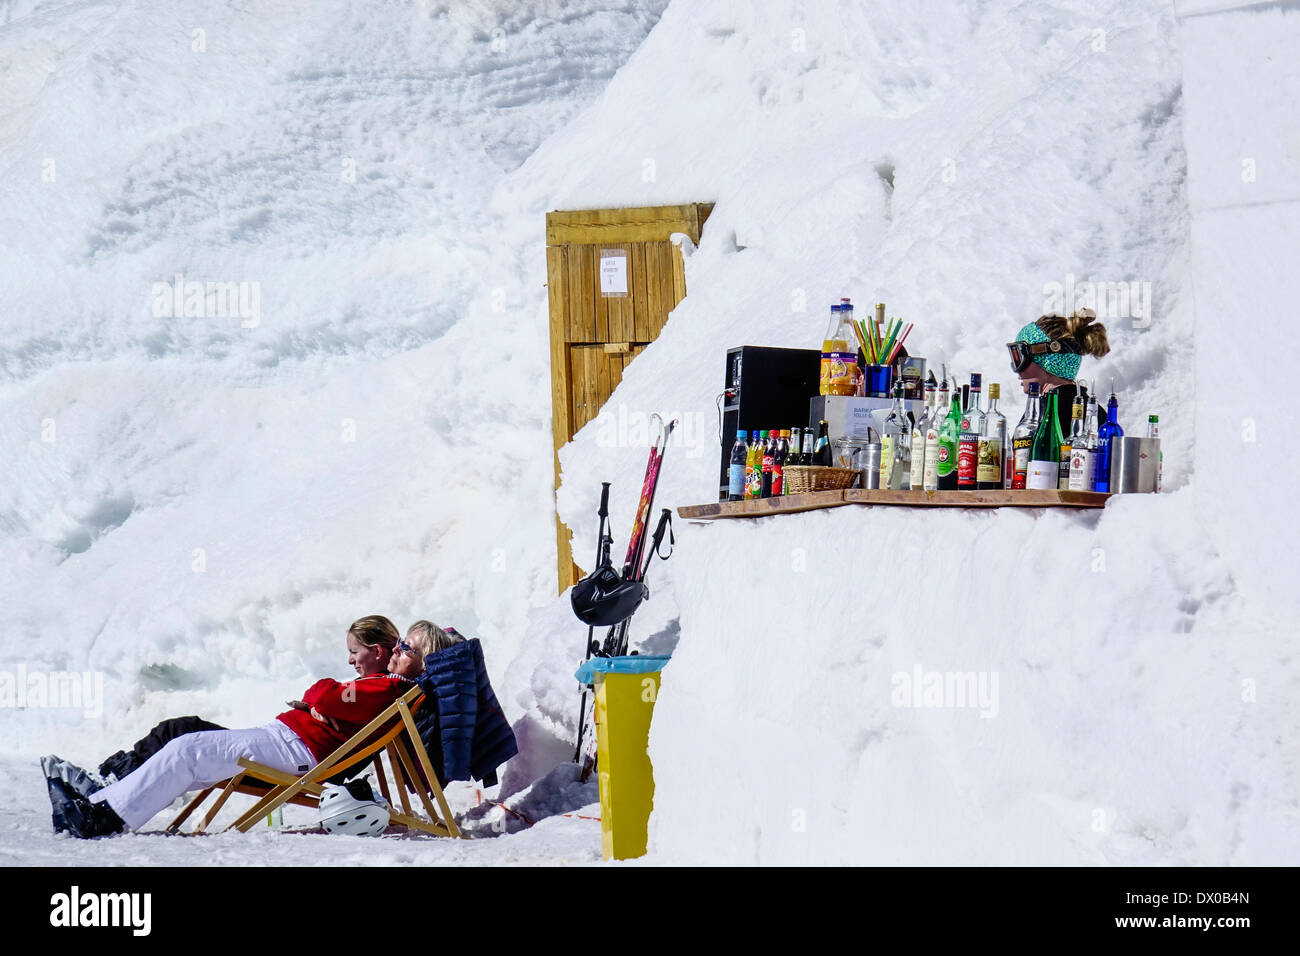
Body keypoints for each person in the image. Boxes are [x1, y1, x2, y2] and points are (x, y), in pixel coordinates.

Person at [43, 615, 408, 839]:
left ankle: (105, 820)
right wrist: (319, 698)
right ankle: (97, 804)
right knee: (185, 736)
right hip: (284, 739)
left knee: (189, 751)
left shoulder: (384, 687)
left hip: (296, 751)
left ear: (376, 650)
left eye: (355, 652)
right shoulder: (369, 687)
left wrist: (318, 700)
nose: (350, 660)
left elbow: (324, 695)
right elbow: (320, 694)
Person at [388, 620, 517, 788]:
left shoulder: (402, 692)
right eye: (401, 642)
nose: (395, 649)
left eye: (406, 648)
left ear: (424, 667)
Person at [1006, 307, 1110, 434]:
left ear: (1046, 359)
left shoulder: (1045, 412)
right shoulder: (1095, 411)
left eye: (1019, 358)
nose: (1017, 371)